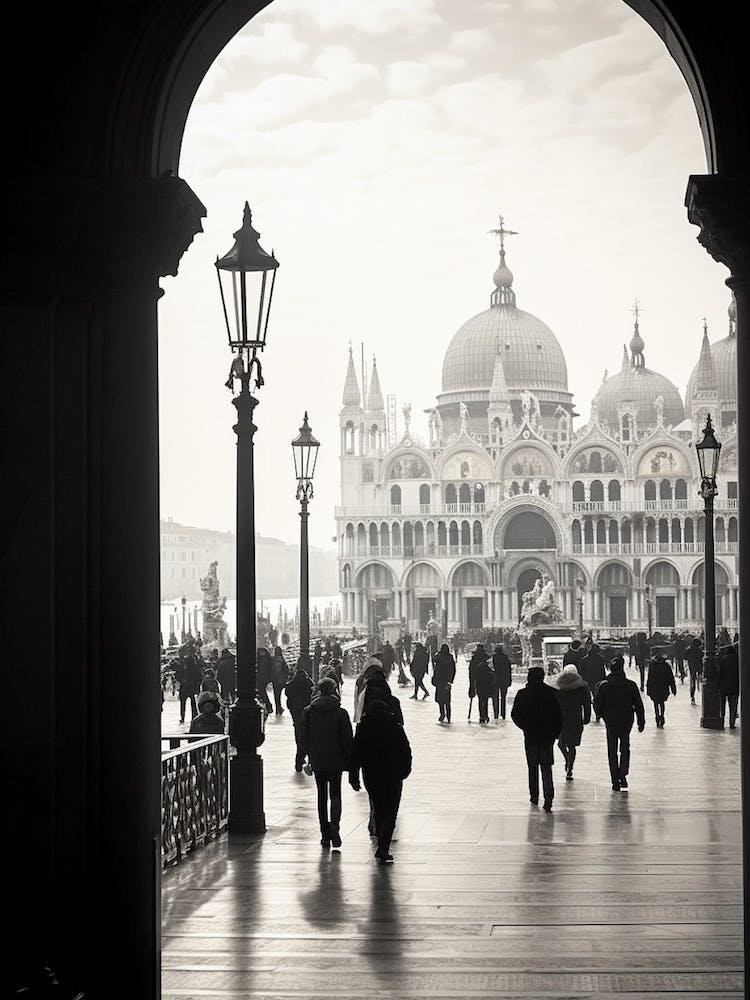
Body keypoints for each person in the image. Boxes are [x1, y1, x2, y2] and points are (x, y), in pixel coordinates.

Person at [350, 698, 412, 864]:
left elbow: (356, 753)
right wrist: (405, 770)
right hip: (393, 774)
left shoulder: (363, 728)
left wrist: (353, 776)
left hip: (371, 773)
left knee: (377, 807)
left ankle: (379, 836)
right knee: (391, 809)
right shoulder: (395, 727)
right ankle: (383, 846)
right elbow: (405, 750)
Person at [300, 677, 353, 849]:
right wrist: (347, 758)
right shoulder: (341, 713)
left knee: (321, 796)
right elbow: (347, 739)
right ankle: (334, 826)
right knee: (335, 794)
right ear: (334, 690)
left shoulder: (309, 711)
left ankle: (325, 834)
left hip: (318, 760)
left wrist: (310, 753)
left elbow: (302, 738)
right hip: (336, 760)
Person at [510, 666, 563, 811]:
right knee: (546, 767)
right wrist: (555, 733)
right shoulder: (552, 693)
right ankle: (548, 797)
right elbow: (559, 716)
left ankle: (534, 796)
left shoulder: (522, 694)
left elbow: (515, 715)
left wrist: (525, 726)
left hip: (531, 736)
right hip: (547, 737)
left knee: (532, 767)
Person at [594, 655, 645, 791]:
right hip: (626, 720)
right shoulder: (630, 685)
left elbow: (597, 705)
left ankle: (614, 779)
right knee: (625, 747)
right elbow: (638, 705)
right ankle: (623, 774)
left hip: (611, 721)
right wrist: (641, 721)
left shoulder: (604, 686)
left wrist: (602, 715)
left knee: (612, 750)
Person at [554, 665, 591, 779]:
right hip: (575, 716)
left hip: (562, 717)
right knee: (572, 745)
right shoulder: (582, 686)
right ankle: (570, 766)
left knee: (561, 743)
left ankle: (567, 760)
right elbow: (587, 703)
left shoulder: (559, 685)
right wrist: (587, 717)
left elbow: (554, 703)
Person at [285, 661, 314, 771]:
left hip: (296, 712)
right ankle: (302, 759)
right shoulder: (309, 682)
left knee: (299, 734)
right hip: (307, 712)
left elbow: (287, 692)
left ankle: (299, 759)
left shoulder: (292, 683)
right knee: (308, 735)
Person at [646, 649, 677, 727]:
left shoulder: (652, 665)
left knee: (656, 703)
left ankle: (657, 717)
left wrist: (648, 689)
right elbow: (671, 678)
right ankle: (662, 716)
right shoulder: (666, 665)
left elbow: (649, 678)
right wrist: (673, 688)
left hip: (654, 687)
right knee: (662, 703)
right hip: (663, 687)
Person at [353, 656, 385, 725]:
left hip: (364, 720)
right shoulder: (382, 685)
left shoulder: (360, 682)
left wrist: (357, 718)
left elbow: (357, 702)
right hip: (380, 723)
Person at [468, 644, 495, 725]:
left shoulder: (474, 658)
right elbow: (491, 669)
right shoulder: (487, 657)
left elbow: (471, 670)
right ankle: (485, 715)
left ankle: (481, 715)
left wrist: (471, 682)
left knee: (480, 699)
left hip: (478, 681)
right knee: (485, 699)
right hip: (486, 681)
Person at [579, 643, 606, 718]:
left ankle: (589, 714)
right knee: (597, 698)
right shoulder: (600, 659)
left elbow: (581, 672)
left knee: (587, 699)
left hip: (587, 682)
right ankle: (597, 713)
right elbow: (602, 671)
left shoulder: (584, 660)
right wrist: (604, 680)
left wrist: (582, 682)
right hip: (598, 682)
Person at [432, 643, 456, 723]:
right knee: (447, 700)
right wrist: (451, 680)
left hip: (439, 681)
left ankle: (442, 714)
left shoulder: (439, 657)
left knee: (440, 700)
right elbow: (453, 669)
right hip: (447, 681)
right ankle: (449, 716)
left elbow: (434, 662)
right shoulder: (450, 657)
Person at [718, 642, 740, 728]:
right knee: (733, 705)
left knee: (722, 705)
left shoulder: (723, 659)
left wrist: (718, 684)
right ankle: (732, 723)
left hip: (724, 686)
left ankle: (722, 721)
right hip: (734, 686)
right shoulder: (738, 660)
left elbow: (720, 673)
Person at [177, 650, 201, 724]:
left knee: (183, 704)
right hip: (191, 688)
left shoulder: (183, 667)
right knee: (193, 703)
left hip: (184, 688)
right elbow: (199, 678)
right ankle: (194, 717)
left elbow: (179, 677)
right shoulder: (195, 667)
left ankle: (182, 717)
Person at [491, 644, 513, 720]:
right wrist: (509, 680)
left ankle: (496, 714)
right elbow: (509, 671)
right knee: (503, 698)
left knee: (495, 698)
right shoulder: (506, 659)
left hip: (496, 681)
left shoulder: (494, 658)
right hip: (504, 681)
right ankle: (503, 714)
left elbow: (492, 669)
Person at [271, 646, 290, 715]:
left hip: (275, 680)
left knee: (276, 695)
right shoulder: (282, 660)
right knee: (279, 694)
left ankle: (277, 709)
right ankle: (279, 708)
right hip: (281, 680)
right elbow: (287, 670)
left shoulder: (272, 659)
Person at [686, 636, 704, 705]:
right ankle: (699, 691)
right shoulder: (699, 650)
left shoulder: (689, 649)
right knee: (700, 680)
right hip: (699, 667)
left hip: (692, 667)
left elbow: (685, 657)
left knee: (692, 681)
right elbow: (702, 655)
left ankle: (692, 696)